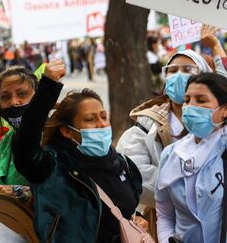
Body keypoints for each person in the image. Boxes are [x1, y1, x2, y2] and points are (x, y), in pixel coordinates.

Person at [11, 60, 144, 242]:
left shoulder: (123, 165)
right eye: (90, 119)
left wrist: (138, 221)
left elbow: (128, 210)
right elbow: (25, 147)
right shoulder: (52, 169)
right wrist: (48, 88)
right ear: (67, 131)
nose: (101, 124)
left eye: (104, 117)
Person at [116, 26, 227, 239]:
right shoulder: (145, 128)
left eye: (188, 70)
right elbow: (158, 202)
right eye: (172, 70)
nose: (178, 76)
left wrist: (215, 46)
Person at [155, 72, 227, 243]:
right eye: (187, 100)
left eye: (201, 101)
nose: (190, 106)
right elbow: (164, 214)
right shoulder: (170, 154)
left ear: (224, 111)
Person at [0, 65, 38, 186]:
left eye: (22, 94)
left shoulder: (53, 137)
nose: (14, 102)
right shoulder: (6, 140)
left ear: (38, 97)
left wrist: (22, 194)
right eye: (5, 97)